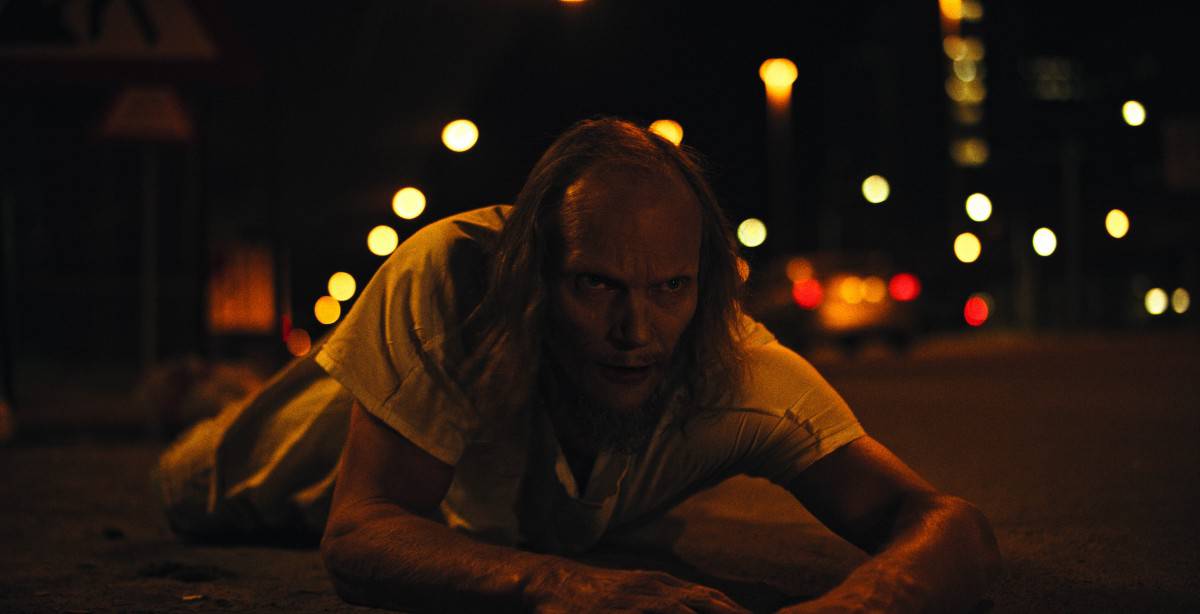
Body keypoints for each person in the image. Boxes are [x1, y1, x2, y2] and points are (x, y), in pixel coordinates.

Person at [154, 117, 1000, 612]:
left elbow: (944, 520)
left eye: (669, 287)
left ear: (703, 286)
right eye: (596, 285)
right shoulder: (452, 284)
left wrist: (858, 605)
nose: (637, 330)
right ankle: (205, 393)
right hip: (295, 456)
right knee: (190, 478)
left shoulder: (737, 368)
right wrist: (568, 587)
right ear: (534, 277)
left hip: (497, 507)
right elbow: (360, 532)